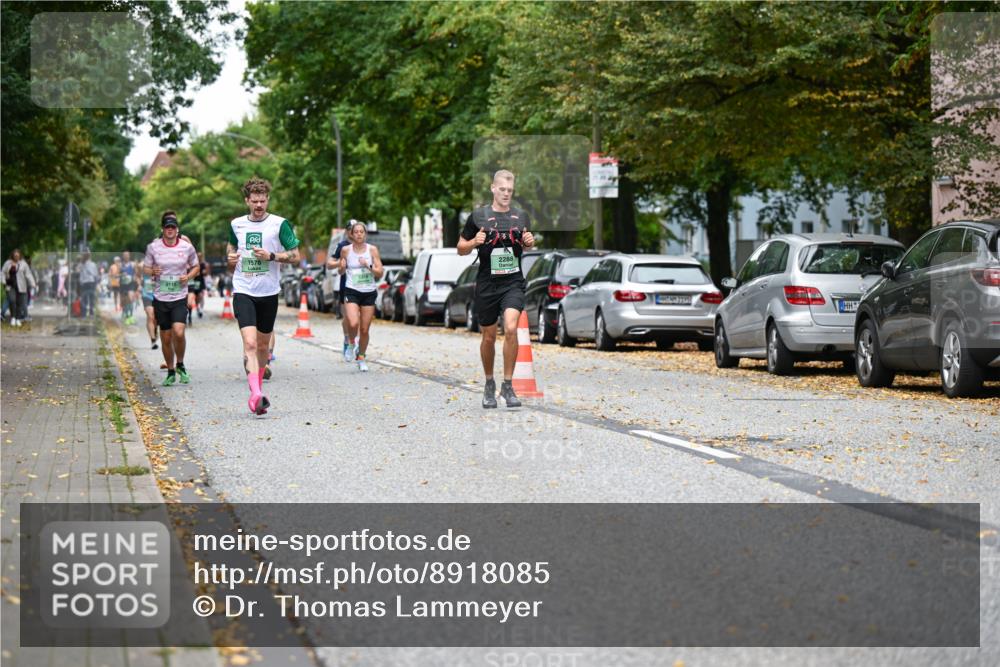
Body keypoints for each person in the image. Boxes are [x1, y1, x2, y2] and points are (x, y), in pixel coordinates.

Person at [457, 169, 536, 408]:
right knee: (489, 336)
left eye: (510, 190)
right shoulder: (478, 216)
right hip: (487, 283)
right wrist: (474, 242)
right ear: (493, 188)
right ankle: (489, 383)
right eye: (502, 189)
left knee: (511, 328)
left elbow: (527, 244)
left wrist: (530, 243)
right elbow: (460, 248)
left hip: (513, 282)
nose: (506, 193)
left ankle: (508, 385)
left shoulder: (521, 217)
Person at [227, 177, 300, 415]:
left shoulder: (280, 224)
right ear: (247, 201)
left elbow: (295, 255)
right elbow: (231, 248)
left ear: (267, 199)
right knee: (249, 343)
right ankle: (256, 394)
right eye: (254, 201)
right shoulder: (236, 224)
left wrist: (272, 256)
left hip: (268, 292)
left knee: (262, 346)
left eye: (263, 201)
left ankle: (257, 390)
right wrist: (230, 258)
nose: (259, 205)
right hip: (243, 289)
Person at [145, 211, 199, 386]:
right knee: (166, 337)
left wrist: (188, 277)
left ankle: (180, 364)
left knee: (179, 331)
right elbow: (145, 268)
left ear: (177, 229)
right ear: (163, 229)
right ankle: (170, 371)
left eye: (173, 227)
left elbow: (196, 266)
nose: (170, 230)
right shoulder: (153, 247)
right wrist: (152, 271)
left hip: (179, 296)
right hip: (160, 298)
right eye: (167, 227)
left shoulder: (186, 247)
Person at [337, 221, 383, 372]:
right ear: (351, 234)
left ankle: (361, 357)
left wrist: (367, 265)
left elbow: (380, 272)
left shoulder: (372, 250)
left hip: (369, 292)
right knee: (352, 323)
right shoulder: (345, 250)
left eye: (361, 232)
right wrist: (341, 267)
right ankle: (351, 343)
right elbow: (341, 271)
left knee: (364, 329)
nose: (358, 234)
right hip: (352, 290)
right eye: (356, 232)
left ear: (365, 234)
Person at [327, 233, 354, 361]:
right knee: (348, 317)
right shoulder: (342, 246)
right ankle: (347, 339)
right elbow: (329, 264)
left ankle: (356, 343)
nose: (355, 233)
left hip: (362, 287)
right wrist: (340, 263)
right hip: (346, 285)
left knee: (358, 317)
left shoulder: (366, 247)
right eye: (351, 230)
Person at [2, 249, 36, 327]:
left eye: (17, 255)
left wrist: (33, 283)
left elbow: (28, 274)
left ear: (20, 256)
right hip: (10, 286)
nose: (16, 257)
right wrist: (3, 281)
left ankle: (17, 319)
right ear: (13, 255)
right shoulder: (8, 263)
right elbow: (3, 272)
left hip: (21, 286)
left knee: (19, 303)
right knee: (12, 300)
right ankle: (13, 318)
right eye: (15, 255)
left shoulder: (23, 264)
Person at [137, 259, 158, 349]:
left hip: (159, 295)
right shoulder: (145, 263)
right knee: (150, 316)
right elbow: (139, 266)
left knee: (156, 319)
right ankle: (153, 340)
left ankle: (155, 330)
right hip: (147, 294)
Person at [78, 251, 100, 317]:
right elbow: (95, 274)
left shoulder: (81, 264)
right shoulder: (93, 264)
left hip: (84, 283)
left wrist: (81, 282)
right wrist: (97, 282)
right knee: (91, 298)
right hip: (91, 282)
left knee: (84, 298)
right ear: (89, 256)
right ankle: (91, 313)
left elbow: (80, 275)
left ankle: (84, 314)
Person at [119, 251, 138, 325]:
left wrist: (134, 277)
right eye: (125, 255)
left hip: (130, 284)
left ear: (129, 256)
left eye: (127, 255)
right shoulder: (120, 265)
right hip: (123, 285)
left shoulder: (132, 264)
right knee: (124, 301)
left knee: (130, 299)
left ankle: (131, 315)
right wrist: (122, 275)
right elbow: (117, 274)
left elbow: (136, 273)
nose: (126, 256)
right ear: (123, 256)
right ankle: (126, 314)